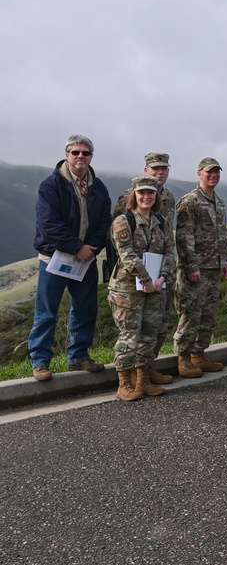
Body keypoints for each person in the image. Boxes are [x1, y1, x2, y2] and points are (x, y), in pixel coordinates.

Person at [28, 135, 112, 382]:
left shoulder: (99, 187)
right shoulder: (51, 185)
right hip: (54, 259)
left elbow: (104, 221)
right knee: (47, 311)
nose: (80, 157)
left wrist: (91, 248)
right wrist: (77, 246)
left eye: (85, 153)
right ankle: (41, 361)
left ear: (91, 157)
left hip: (85, 259)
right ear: (67, 155)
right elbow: (48, 224)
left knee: (86, 308)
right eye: (75, 152)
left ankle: (78, 356)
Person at [107, 176, 176, 401]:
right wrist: (146, 280)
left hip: (156, 286)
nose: (146, 197)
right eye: (141, 193)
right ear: (134, 195)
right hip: (128, 288)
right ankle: (124, 384)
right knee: (129, 334)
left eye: (151, 193)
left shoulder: (161, 221)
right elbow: (126, 254)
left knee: (150, 333)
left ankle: (143, 380)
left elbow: (169, 251)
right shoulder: (123, 221)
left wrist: (162, 278)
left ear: (156, 196)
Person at [173, 157, 227, 378]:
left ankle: (198, 355)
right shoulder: (189, 201)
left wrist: (225, 263)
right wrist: (191, 266)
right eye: (209, 172)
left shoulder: (219, 202)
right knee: (191, 314)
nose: (213, 175)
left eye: (216, 172)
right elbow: (183, 237)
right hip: (195, 270)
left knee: (208, 314)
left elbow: (222, 237)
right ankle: (183, 359)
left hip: (214, 268)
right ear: (199, 174)